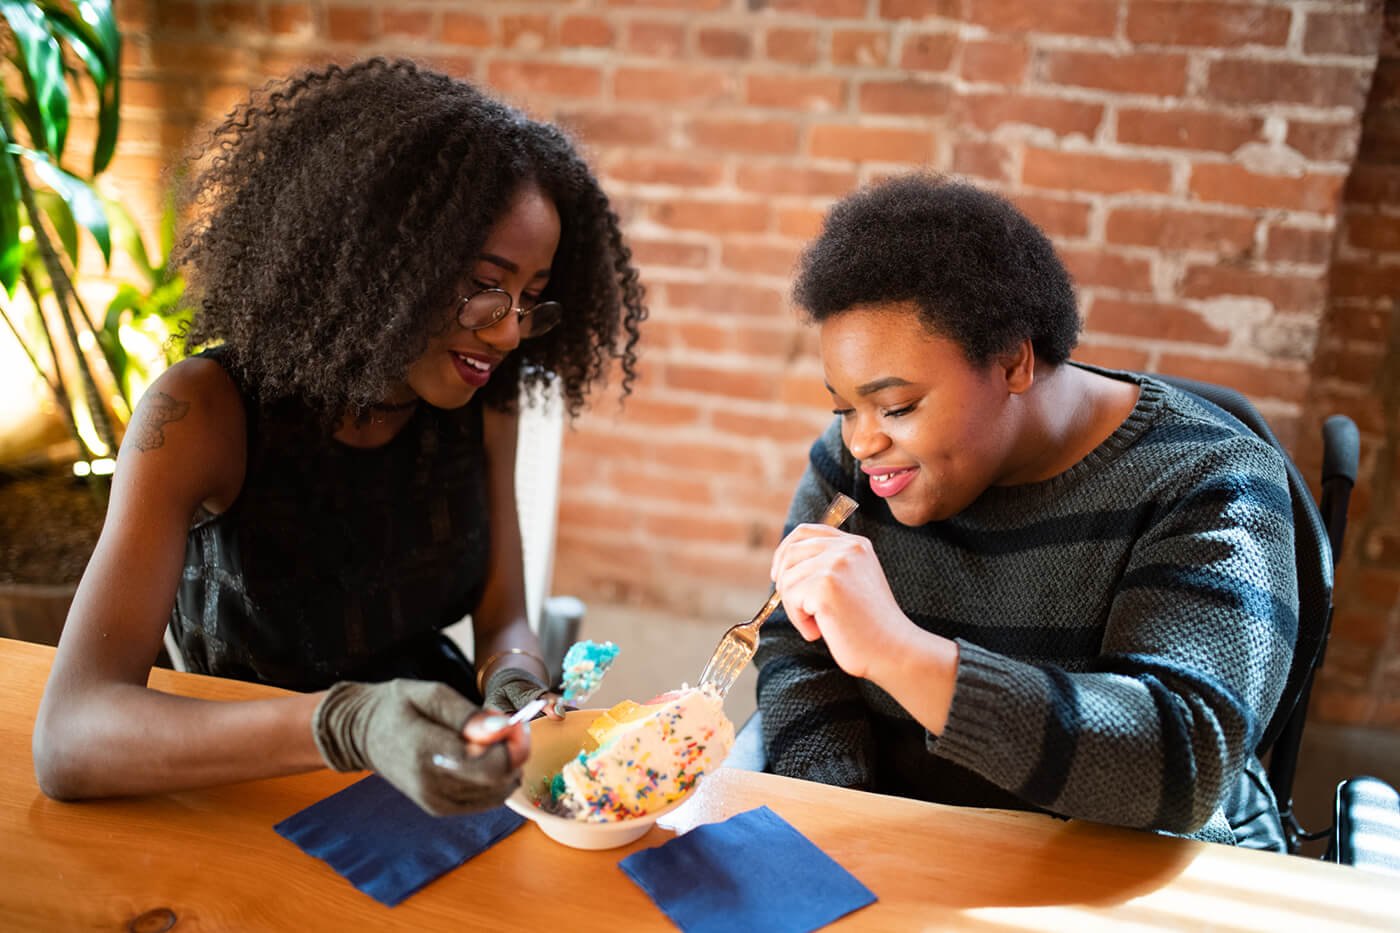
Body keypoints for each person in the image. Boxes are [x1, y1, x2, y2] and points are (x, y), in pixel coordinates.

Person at [32, 59, 646, 816]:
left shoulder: (488, 404)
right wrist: (345, 722)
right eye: (487, 285)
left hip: (431, 769)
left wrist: (514, 678)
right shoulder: (199, 414)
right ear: (388, 259)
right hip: (240, 783)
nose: (512, 329)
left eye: (530, 299)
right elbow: (68, 737)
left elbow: (504, 614)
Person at [756, 173, 1296, 847]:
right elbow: (793, 649)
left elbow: (1180, 759)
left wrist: (899, 652)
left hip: (1109, 877)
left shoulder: (1209, 479)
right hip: (895, 858)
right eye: (844, 407)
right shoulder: (856, 470)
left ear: (1013, 362)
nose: (862, 441)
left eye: (896, 407)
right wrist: (846, 817)